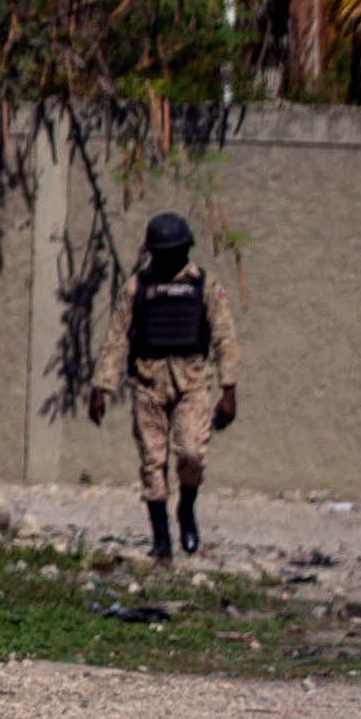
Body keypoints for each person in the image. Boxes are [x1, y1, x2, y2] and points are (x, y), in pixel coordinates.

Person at [88, 210, 235, 560]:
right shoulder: (138, 287)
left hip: (193, 382)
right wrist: (101, 387)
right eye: (162, 252)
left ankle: (185, 509)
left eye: (176, 251)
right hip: (148, 383)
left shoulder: (204, 285)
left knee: (191, 453)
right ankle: (161, 540)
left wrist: (229, 390)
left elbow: (225, 337)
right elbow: (117, 337)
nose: (169, 258)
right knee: (152, 461)